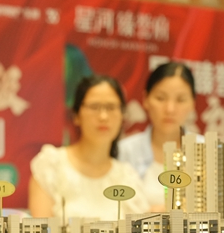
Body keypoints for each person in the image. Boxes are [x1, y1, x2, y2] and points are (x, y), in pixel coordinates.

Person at [29, 74, 149, 222]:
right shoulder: (51, 165)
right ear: (76, 115)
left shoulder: (127, 177)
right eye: (94, 107)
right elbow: (41, 231)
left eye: (111, 107)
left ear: (122, 115)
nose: (103, 116)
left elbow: (138, 232)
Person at [117, 62, 197, 210]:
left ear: (192, 103)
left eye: (180, 100)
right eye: (160, 98)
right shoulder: (124, 151)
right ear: (145, 99)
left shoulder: (209, 151)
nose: (170, 109)